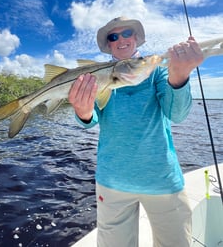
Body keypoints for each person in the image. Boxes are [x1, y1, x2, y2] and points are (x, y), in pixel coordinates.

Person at [68, 16, 204, 247]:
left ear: (136, 38)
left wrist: (180, 77)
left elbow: (177, 115)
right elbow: (91, 119)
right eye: (113, 36)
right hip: (112, 181)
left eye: (127, 33)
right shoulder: (95, 77)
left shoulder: (158, 71)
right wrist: (83, 112)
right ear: (109, 44)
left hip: (162, 179)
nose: (121, 39)